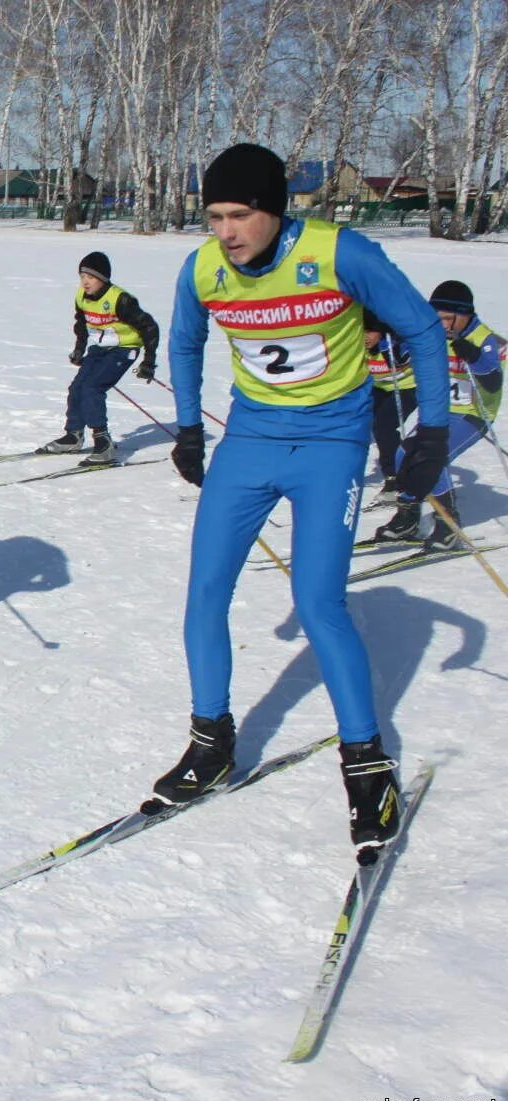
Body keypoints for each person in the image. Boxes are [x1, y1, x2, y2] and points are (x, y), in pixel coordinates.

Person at [151, 143, 451, 862]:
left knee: (319, 604)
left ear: (273, 209)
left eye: (240, 214)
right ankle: (211, 744)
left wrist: (432, 429)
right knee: (203, 596)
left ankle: (367, 766)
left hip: (331, 448)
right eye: (215, 215)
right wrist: (191, 425)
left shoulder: (339, 252)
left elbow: (419, 326)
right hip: (249, 444)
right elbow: (187, 342)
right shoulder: (203, 268)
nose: (226, 231)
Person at [372, 280, 503, 550]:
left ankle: (448, 526)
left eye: (447, 318)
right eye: (437, 317)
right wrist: (389, 344)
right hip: (439, 412)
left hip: (472, 414)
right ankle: (408, 517)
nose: (441, 324)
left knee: (434, 458)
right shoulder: (433, 334)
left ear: (464, 314)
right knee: (402, 454)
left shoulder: (484, 338)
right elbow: (400, 358)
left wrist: (472, 355)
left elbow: (492, 382)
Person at [36, 252, 161, 464]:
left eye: (91, 277)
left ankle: (103, 443)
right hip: (100, 349)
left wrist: (148, 361)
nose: (85, 281)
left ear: (103, 279)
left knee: (92, 388)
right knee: (77, 388)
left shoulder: (120, 299)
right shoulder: (81, 297)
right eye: (82, 276)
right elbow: (81, 325)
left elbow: (150, 327)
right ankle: (73, 435)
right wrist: (79, 349)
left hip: (124, 349)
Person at [363, 309, 417, 501]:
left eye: (370, 332)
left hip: (406, 387)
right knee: (359, 422)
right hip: (379, 387)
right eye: (362, 330)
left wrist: (387, 346)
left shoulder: (397, 341)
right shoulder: (358, 344)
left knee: (384, 425)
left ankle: (395, 477)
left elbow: (401, 363)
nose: (365, 337)